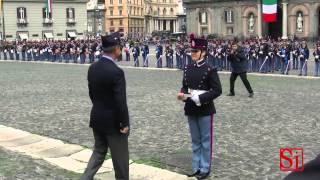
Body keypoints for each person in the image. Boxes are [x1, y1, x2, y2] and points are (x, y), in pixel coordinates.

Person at [81, 31, 130, 180]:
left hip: (97, 117)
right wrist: (124, 123)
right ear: (116, 49)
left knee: (98, 152)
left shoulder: (92, 68)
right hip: (114, 123)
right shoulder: (117, 72)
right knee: (120, 160)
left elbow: (92, 94)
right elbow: (120, 101)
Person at [177, 33, 222, 180]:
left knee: (205, 140)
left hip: (205, 108)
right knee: (195, 140)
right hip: (190, 107)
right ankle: (196, 167)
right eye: (192, 51)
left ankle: (205, 168)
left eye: (195, 51)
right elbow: (185, 87)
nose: (193, 54)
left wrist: (201, 98)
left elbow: (217, 90)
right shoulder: (187, 68)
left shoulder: (210, 69)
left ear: (203, 52)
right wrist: (182, 94)